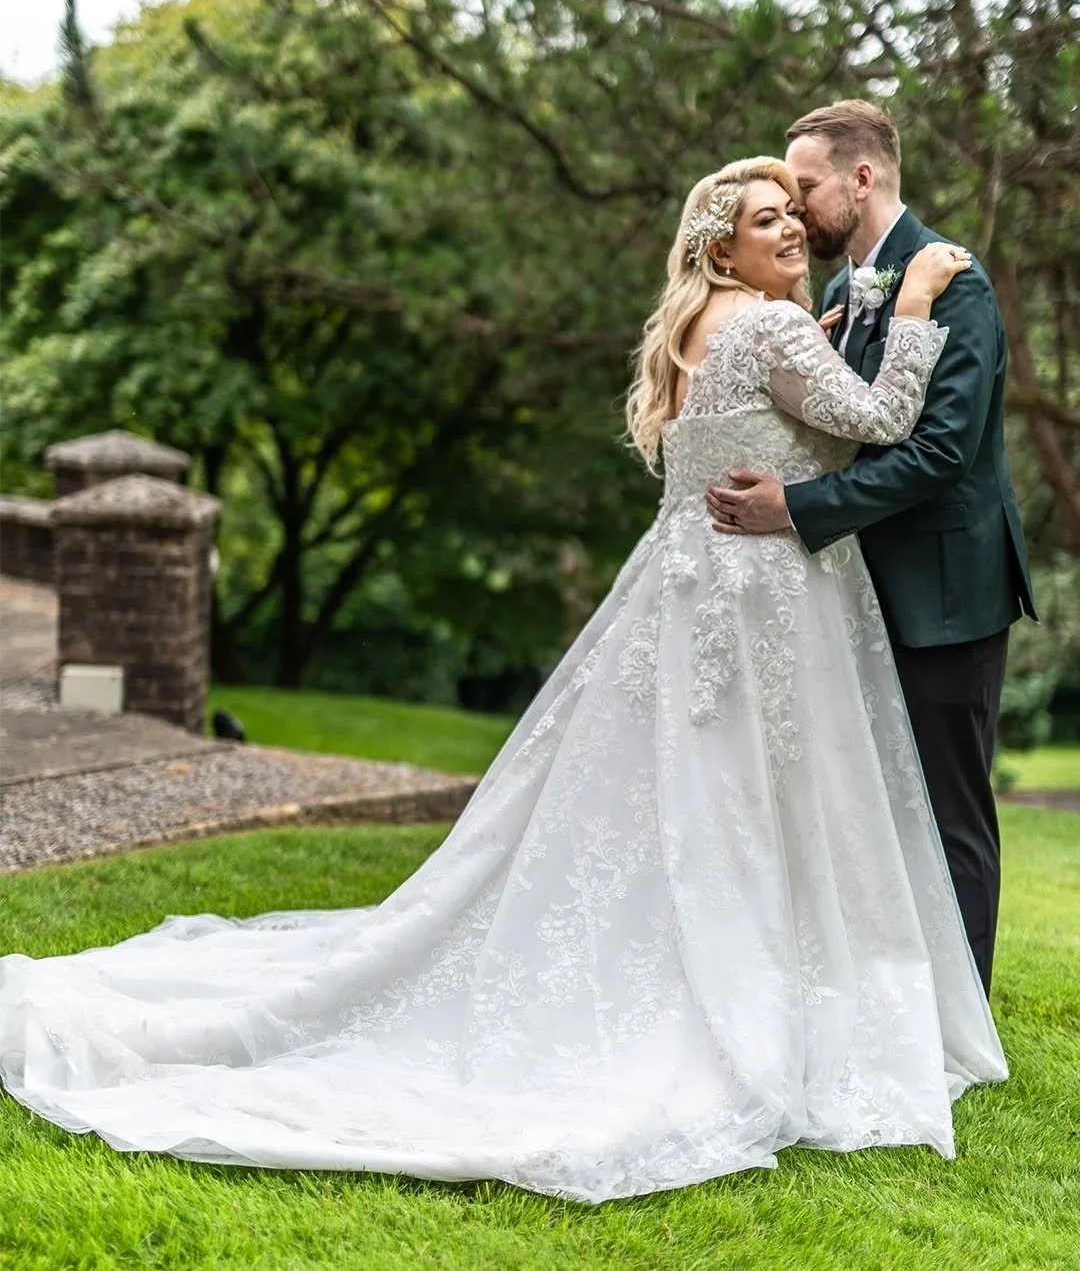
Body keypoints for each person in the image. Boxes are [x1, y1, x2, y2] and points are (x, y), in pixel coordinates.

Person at [0, 157, 1007, 1205]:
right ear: (722, 249)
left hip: (686, 592)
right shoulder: (769, 325)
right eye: (769, 220)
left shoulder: (697, 333)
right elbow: (887, 420)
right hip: (761, 602)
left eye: (794, 215)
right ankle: (780, 1002)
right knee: (764, 800)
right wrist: (921, 299)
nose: (794, 230)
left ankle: (745, 982)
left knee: (702, 801)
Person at [705, 103, 1037, 995]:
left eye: (803, 187)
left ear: (861, 179)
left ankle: (960, 1014)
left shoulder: (951, 283)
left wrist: (796, 508)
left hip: (944, 591)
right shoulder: (840, 292)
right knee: (874, 803)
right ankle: (882, 997)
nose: (794, 204)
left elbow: (938, 452)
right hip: (852, 591)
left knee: (946, 807)